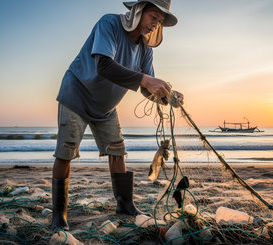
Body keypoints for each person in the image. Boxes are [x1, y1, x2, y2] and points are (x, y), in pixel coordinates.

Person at [51, 0, 183, 231]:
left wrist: (167, 97)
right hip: (77, 94)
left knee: (117, 151)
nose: (155, 25)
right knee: (66, 151)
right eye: (153, 17)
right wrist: (146, 80)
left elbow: (146, 87)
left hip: (106, 107)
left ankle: (125, 204)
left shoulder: (145, 49)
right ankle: (58, 214)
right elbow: (104, 65)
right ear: (139, 10)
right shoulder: (109, 23)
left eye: (160, 22)